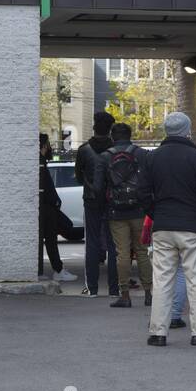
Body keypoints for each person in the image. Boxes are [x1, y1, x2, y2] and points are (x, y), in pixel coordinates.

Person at [145, 112, 196, 347]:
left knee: (162, 279)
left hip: (163, 226)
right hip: (193, 226)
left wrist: (156, 214)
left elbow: (142, 193)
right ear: (187, 131)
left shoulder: (153, 158)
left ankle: (158, 332)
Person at [91, 122, 153, 309]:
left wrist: (104, 206)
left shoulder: (104, 157)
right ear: (130, 135)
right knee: (142, 251)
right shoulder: (142, 154)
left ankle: (125, 295)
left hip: (116, 212)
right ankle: (149, 294)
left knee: (122, 254)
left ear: (112, 137)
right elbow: (151, 181)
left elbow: (97, 187)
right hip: (140, 210)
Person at [75, 111, 120, 298]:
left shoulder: (84, 150)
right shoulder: (116, 150)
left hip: (91, 200)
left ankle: (92, 288)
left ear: (94, 126)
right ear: (110, 129)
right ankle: (114, 289)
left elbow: (79, 177)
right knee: (114, 245)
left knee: (92, 243)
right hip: (113, 201)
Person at [39, 134, 77, 282]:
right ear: (43, 145)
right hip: (47, 207)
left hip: (46, 206)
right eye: (48, 144)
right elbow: (46, 186)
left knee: (50, 239)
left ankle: (58, 268)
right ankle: (58, 269)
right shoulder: (40, 163)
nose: (50, 147)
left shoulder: (40, 162)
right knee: (51, 239)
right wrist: (55, 201)